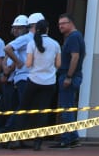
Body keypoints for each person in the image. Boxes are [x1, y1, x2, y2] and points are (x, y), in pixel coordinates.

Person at [22, 18, 60, 148]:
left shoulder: (32, 43)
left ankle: (20, 137)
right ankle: (38, 142)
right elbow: (58, 64)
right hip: (49, 82)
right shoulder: (55, 44)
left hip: (33, 80)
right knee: (43, 111)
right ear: (47, 29)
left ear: (36, 29)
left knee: (25, 108)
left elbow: (28, 64)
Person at [55, 12, 85, 147]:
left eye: (63, 23)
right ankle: (72, 137)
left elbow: (75, 57)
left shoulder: (73, 37)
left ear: (71, 23)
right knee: (69, 107)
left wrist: (69, 76)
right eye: (59, 24)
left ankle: (67, 139)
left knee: (66, 108)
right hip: (72, 75)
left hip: (69, 76)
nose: (60, 26)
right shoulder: (76, 37)